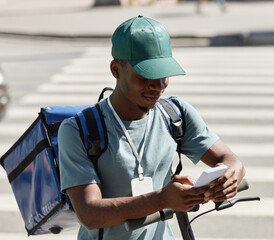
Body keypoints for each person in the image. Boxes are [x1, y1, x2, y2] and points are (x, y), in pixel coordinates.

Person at [58, 15, 245, 240]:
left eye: (163, 73)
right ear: (116, 70)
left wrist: (229, 177)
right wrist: (162, 199)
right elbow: (89, 213)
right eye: (147, 74)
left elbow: (229, 158)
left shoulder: (175, 114)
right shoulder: (77, 130)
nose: (158, 85)